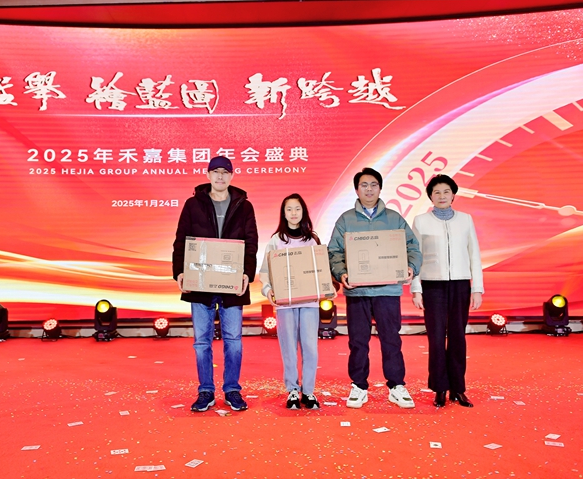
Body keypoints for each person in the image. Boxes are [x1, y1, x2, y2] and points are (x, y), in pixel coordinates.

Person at [328, 167, 422, 409]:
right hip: (357, 292)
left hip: (387, 291)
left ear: (380, 188)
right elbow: (334, 252)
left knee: (391, 339)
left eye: (373, 185)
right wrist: (341, 273)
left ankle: (396, 386)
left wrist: (410, 267)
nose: (369, 189)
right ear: (356, 190)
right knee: (358, 341)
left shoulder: (394, 218)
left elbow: (412, 247)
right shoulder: (346, 220)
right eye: (364, 185)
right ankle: (359, 386)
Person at [172, 156, 258, 412]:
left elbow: (251, 242)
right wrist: (179, 272)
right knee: (201, 341)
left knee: (234, 340)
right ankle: (206, 391)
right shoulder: (193, 204)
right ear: (208, 174)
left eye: (225, 172)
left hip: (232, 283)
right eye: (216, 171)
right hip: (200, 283)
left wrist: (247, 273)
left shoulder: (244, 206)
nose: (220, 176)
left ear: (232, 176)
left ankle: (232, 389)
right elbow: (181, 240)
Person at [410, 174, 483, 408]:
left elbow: (474, 254)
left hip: (460, 284)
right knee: (436, 337)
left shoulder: (465, 220)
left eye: (446, 192)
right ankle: (440, 388)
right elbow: (415, 257)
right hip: (433, 285)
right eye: (437, 192)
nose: (441, 196)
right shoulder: (421, 221)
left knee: (458, 336)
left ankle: (458, 389)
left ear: (453, 195)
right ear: (430, 196)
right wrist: (416, 289)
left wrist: (477, 288)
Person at [259, 194, 322, 410]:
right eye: (289, 209)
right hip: (285, 303)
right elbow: (265, 272)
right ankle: (293, 390)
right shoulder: (276, 241)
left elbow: (319, 270)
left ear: (303, 212)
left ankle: (309, 391)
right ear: (283, 213)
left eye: (297, 209)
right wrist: (268, 290)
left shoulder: (312, 240)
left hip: (309, 301)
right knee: (288, 347)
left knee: (310, 347)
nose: (293, 213)